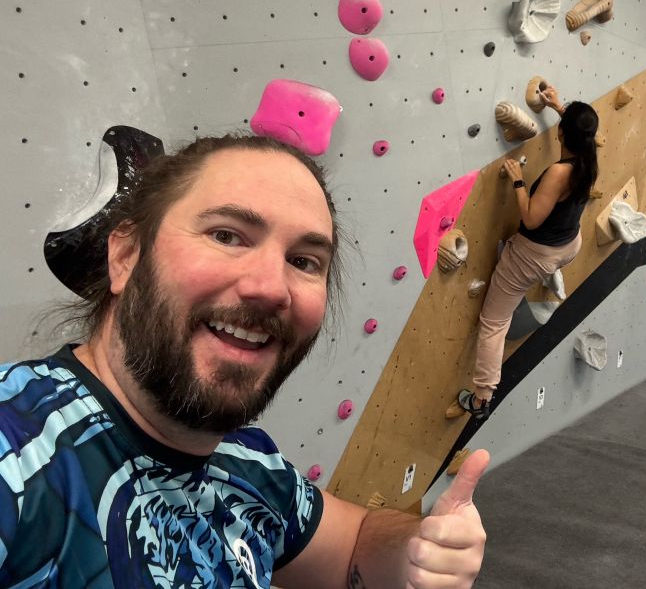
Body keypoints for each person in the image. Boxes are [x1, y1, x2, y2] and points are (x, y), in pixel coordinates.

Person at [0, 133, 488, 588]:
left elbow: (355, 539)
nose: (271, 288)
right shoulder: (16, 452)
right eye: (226, 235)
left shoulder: (248, 465)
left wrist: (416, 550)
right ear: (126, 256)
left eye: (303, 262)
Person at [457, 87, 599, 420]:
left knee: (493, 322)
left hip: (533, 254)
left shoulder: (559, 173)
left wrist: (518, 181)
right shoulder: (589, 158)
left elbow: (532, 218)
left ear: (563, 134)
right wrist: (557, 105)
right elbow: (579, 129)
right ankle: (551, 273)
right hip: (568, 245)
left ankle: (481, 398)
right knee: (541, 263)